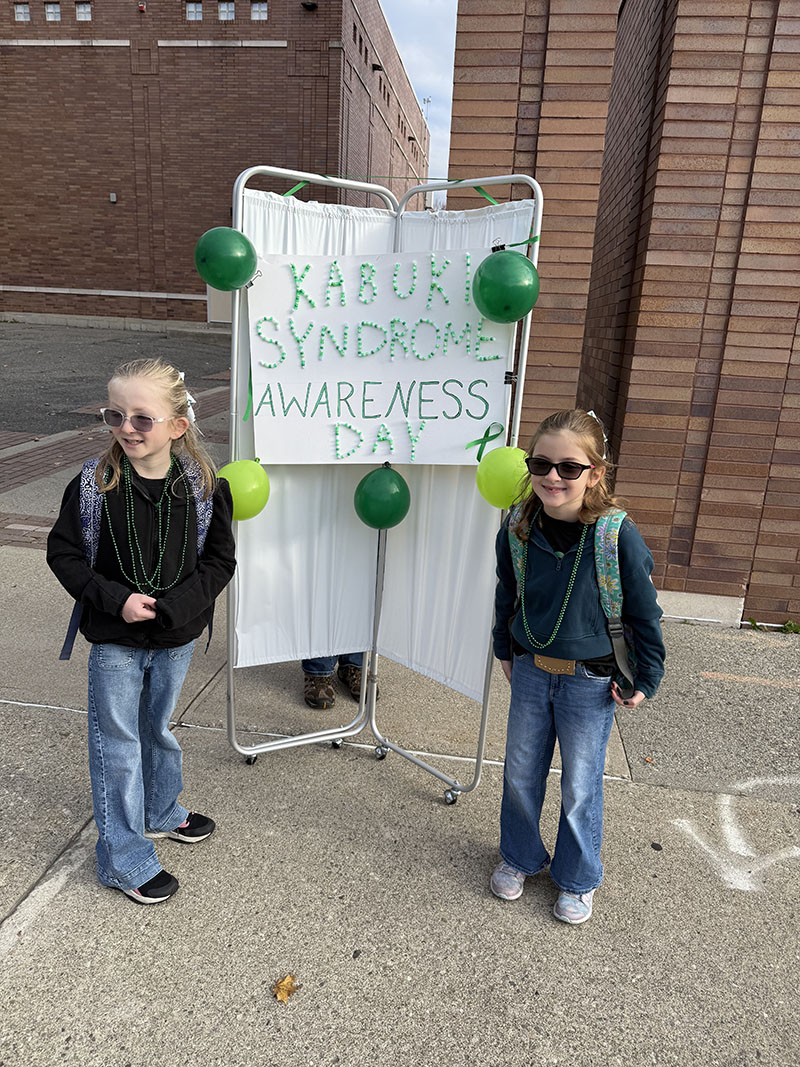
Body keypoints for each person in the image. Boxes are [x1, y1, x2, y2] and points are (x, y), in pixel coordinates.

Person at [47, 358, 236, 905]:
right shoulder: (94, 484)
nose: (126, 427)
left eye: (141, 418)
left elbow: (220, 562)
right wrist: (115, 600)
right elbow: (63, 552)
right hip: (115, 641)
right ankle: (124, 859)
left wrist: (179, 606)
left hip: (175, 639)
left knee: (157, 730)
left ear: (178, 426)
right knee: (118, 746)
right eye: (115, 414)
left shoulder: (203, 487)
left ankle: (160, 809)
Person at [490, 409, 665, 925]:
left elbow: (644, 612)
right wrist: (504, 648)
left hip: (591, 680)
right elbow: (508, 594)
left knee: (581, 783)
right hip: (530, 669)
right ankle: (520, 856)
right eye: (541, 463)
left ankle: (577, 876)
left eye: (569, 467)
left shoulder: (615, 537)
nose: (552, 477)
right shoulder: (518, 527)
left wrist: (645, 677)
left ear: (595, 474)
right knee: (521, 773)